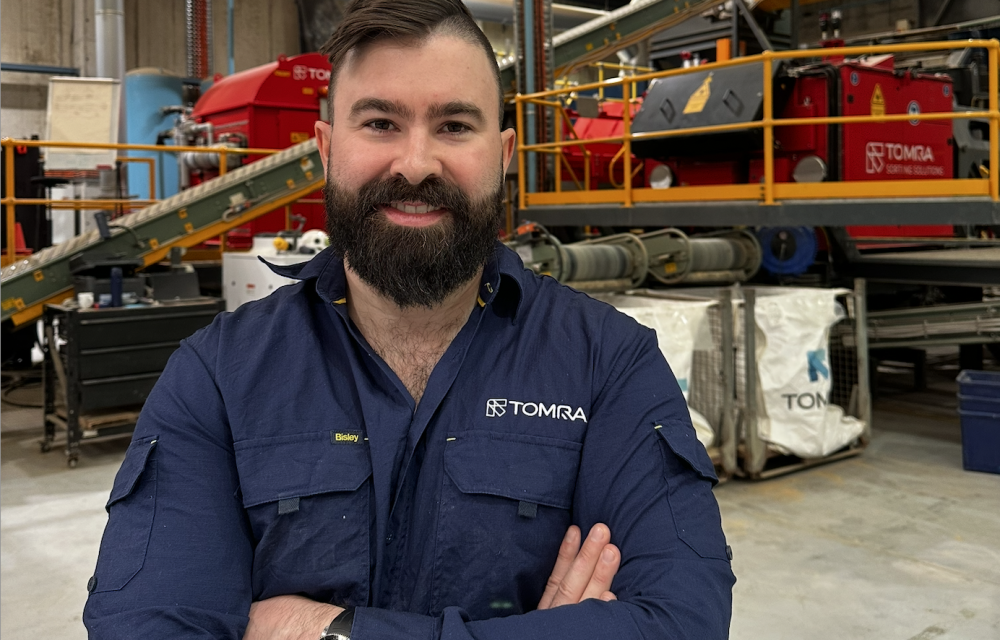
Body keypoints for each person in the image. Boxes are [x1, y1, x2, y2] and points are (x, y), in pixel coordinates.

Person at [83, 0, 735, 637]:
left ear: (503, 153)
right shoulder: (218, 378)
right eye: (380, 123)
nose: (417, 164)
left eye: (454, 126)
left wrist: (323, 630)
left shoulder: (609, 364)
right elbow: (143, 625)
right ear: (326, 149)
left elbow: (682, 620)